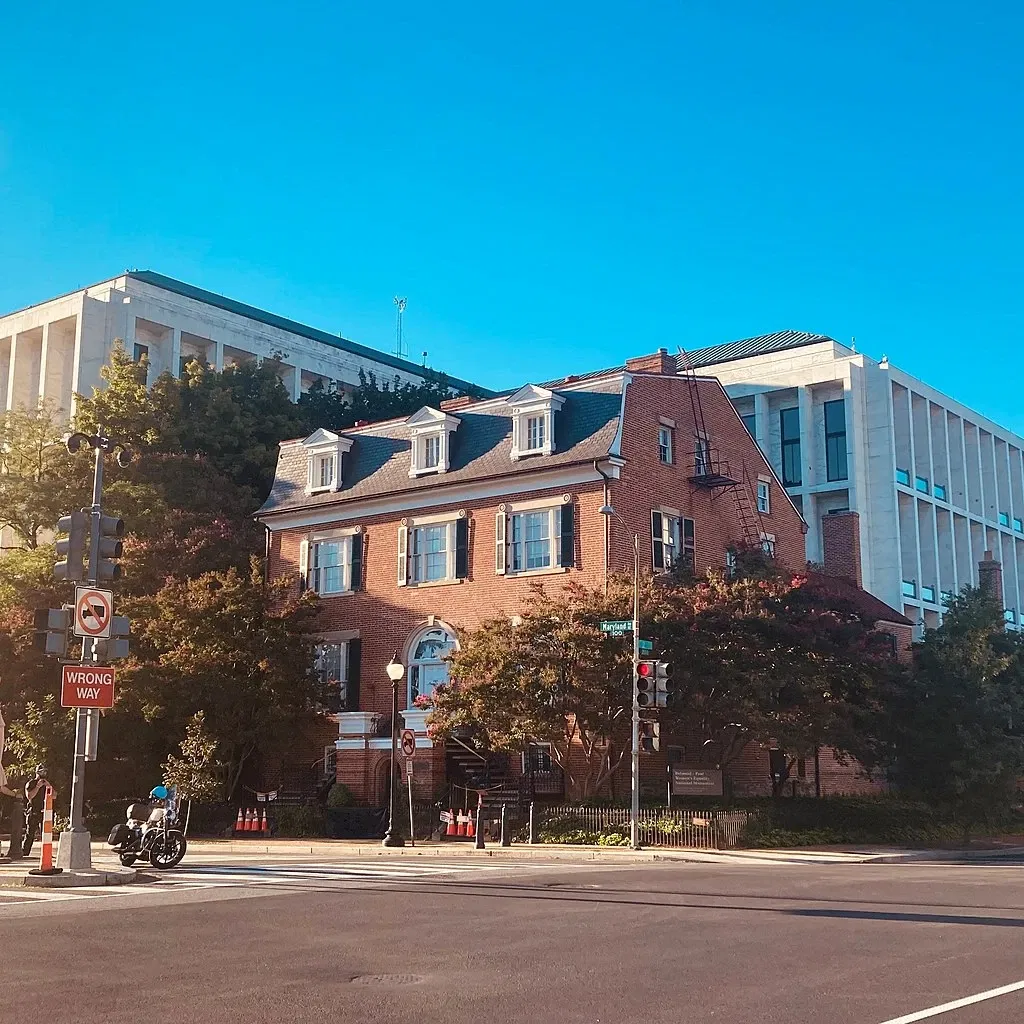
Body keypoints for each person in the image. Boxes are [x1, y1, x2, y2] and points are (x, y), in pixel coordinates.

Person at [21, 767, 51, 857]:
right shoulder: (31, 783)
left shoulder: (46, 784)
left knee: (45, 833)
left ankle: (46, 853)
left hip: (44, 811)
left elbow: (54, 796)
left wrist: (48, 786)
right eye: (42, 771)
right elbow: (29, 796)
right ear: (37, 772)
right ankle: (25, 852)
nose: (44, 773)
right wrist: (38, 786)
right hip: (33, 810)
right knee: (30, 832)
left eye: (45, 771)